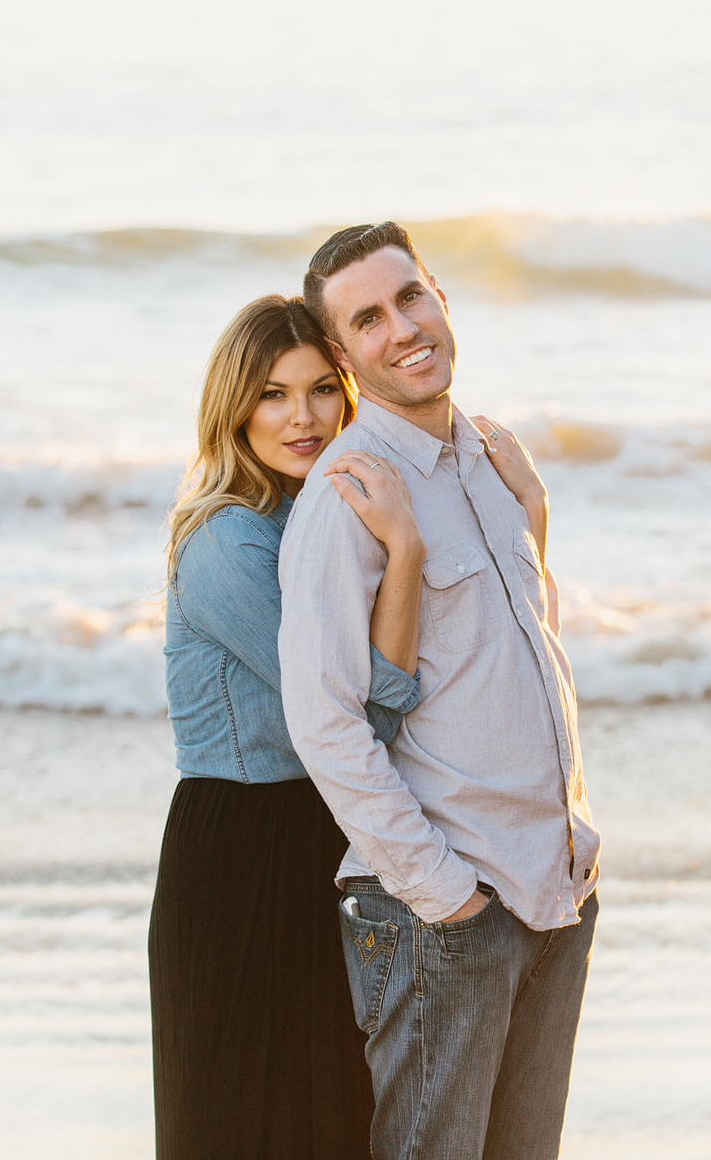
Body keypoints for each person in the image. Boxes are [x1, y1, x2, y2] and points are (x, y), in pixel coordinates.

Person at [279, 222, 601, 1160]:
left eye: (410, 296)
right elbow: (324, 720)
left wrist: (534, 518)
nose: (402, 327)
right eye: (368, 319)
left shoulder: (494, 456)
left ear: (442, 299)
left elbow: (520, 646)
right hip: (450, 915)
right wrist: (442, 893)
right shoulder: (348, 497)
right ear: (343, 355)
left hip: (553, 890)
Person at [148, 295, 428, 1160]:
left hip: (317, 836)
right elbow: (356, 710)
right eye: (273, 394)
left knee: (328, 1115)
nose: (302, 418)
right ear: (235, 408)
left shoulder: (311, 524)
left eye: (319, 390)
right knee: (243, 1121)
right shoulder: (229, 542)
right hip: (242, 849)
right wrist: (408, 556)